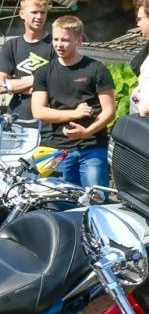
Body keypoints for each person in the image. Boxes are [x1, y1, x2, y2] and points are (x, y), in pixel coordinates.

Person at [29, 16, 115, 188]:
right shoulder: (43, 72)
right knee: (59, 206)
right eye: (55, 39)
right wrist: (74, 113)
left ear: (79, 40)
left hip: (92, 148)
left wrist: (87, 131)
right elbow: (38, 111)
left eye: (65, 40)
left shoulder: (96, 69)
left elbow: (109, 110)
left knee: (95, 203)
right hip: (56, 149)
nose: (59, 44)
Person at [0, 0, 53, 124]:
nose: (39, 17)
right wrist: (38, 82)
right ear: (22, 14)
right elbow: (1, 85)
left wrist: (14, 84)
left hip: (49, 121)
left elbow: (57, 85)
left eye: (43, 12)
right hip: (16, 119)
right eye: (34, 12)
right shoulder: (11, 46)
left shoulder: (56, 44)